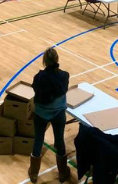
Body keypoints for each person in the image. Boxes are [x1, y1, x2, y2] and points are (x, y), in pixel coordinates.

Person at [28, 47, 70, 183]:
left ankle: (34, 174)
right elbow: (63, 90)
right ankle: (63, 173)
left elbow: (35, 91)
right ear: (57, 60)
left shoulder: (38, 77)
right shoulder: (64, 76)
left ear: (44, 61)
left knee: (38, 140)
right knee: (59, 140)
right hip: (58, 113)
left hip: (40, 113)